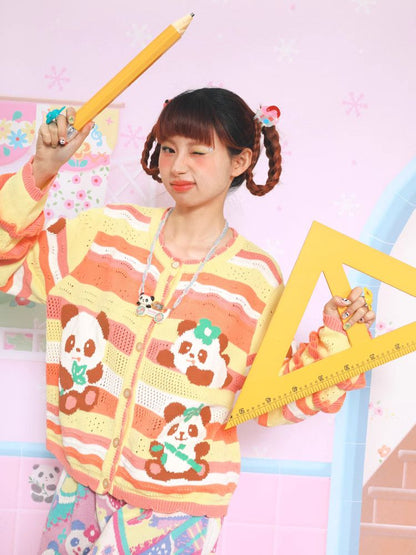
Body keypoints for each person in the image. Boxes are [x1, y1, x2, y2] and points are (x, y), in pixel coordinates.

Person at [0, 88, 374, 554]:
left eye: (198, 152)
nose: (177, 166)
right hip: (81, 487)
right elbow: (9, 266)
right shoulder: (105, 234)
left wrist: (337, 335)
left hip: (177, 514)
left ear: (240, 162)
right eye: (169, 148)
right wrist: (42, 170)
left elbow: (271, 399)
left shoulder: (254, 279)